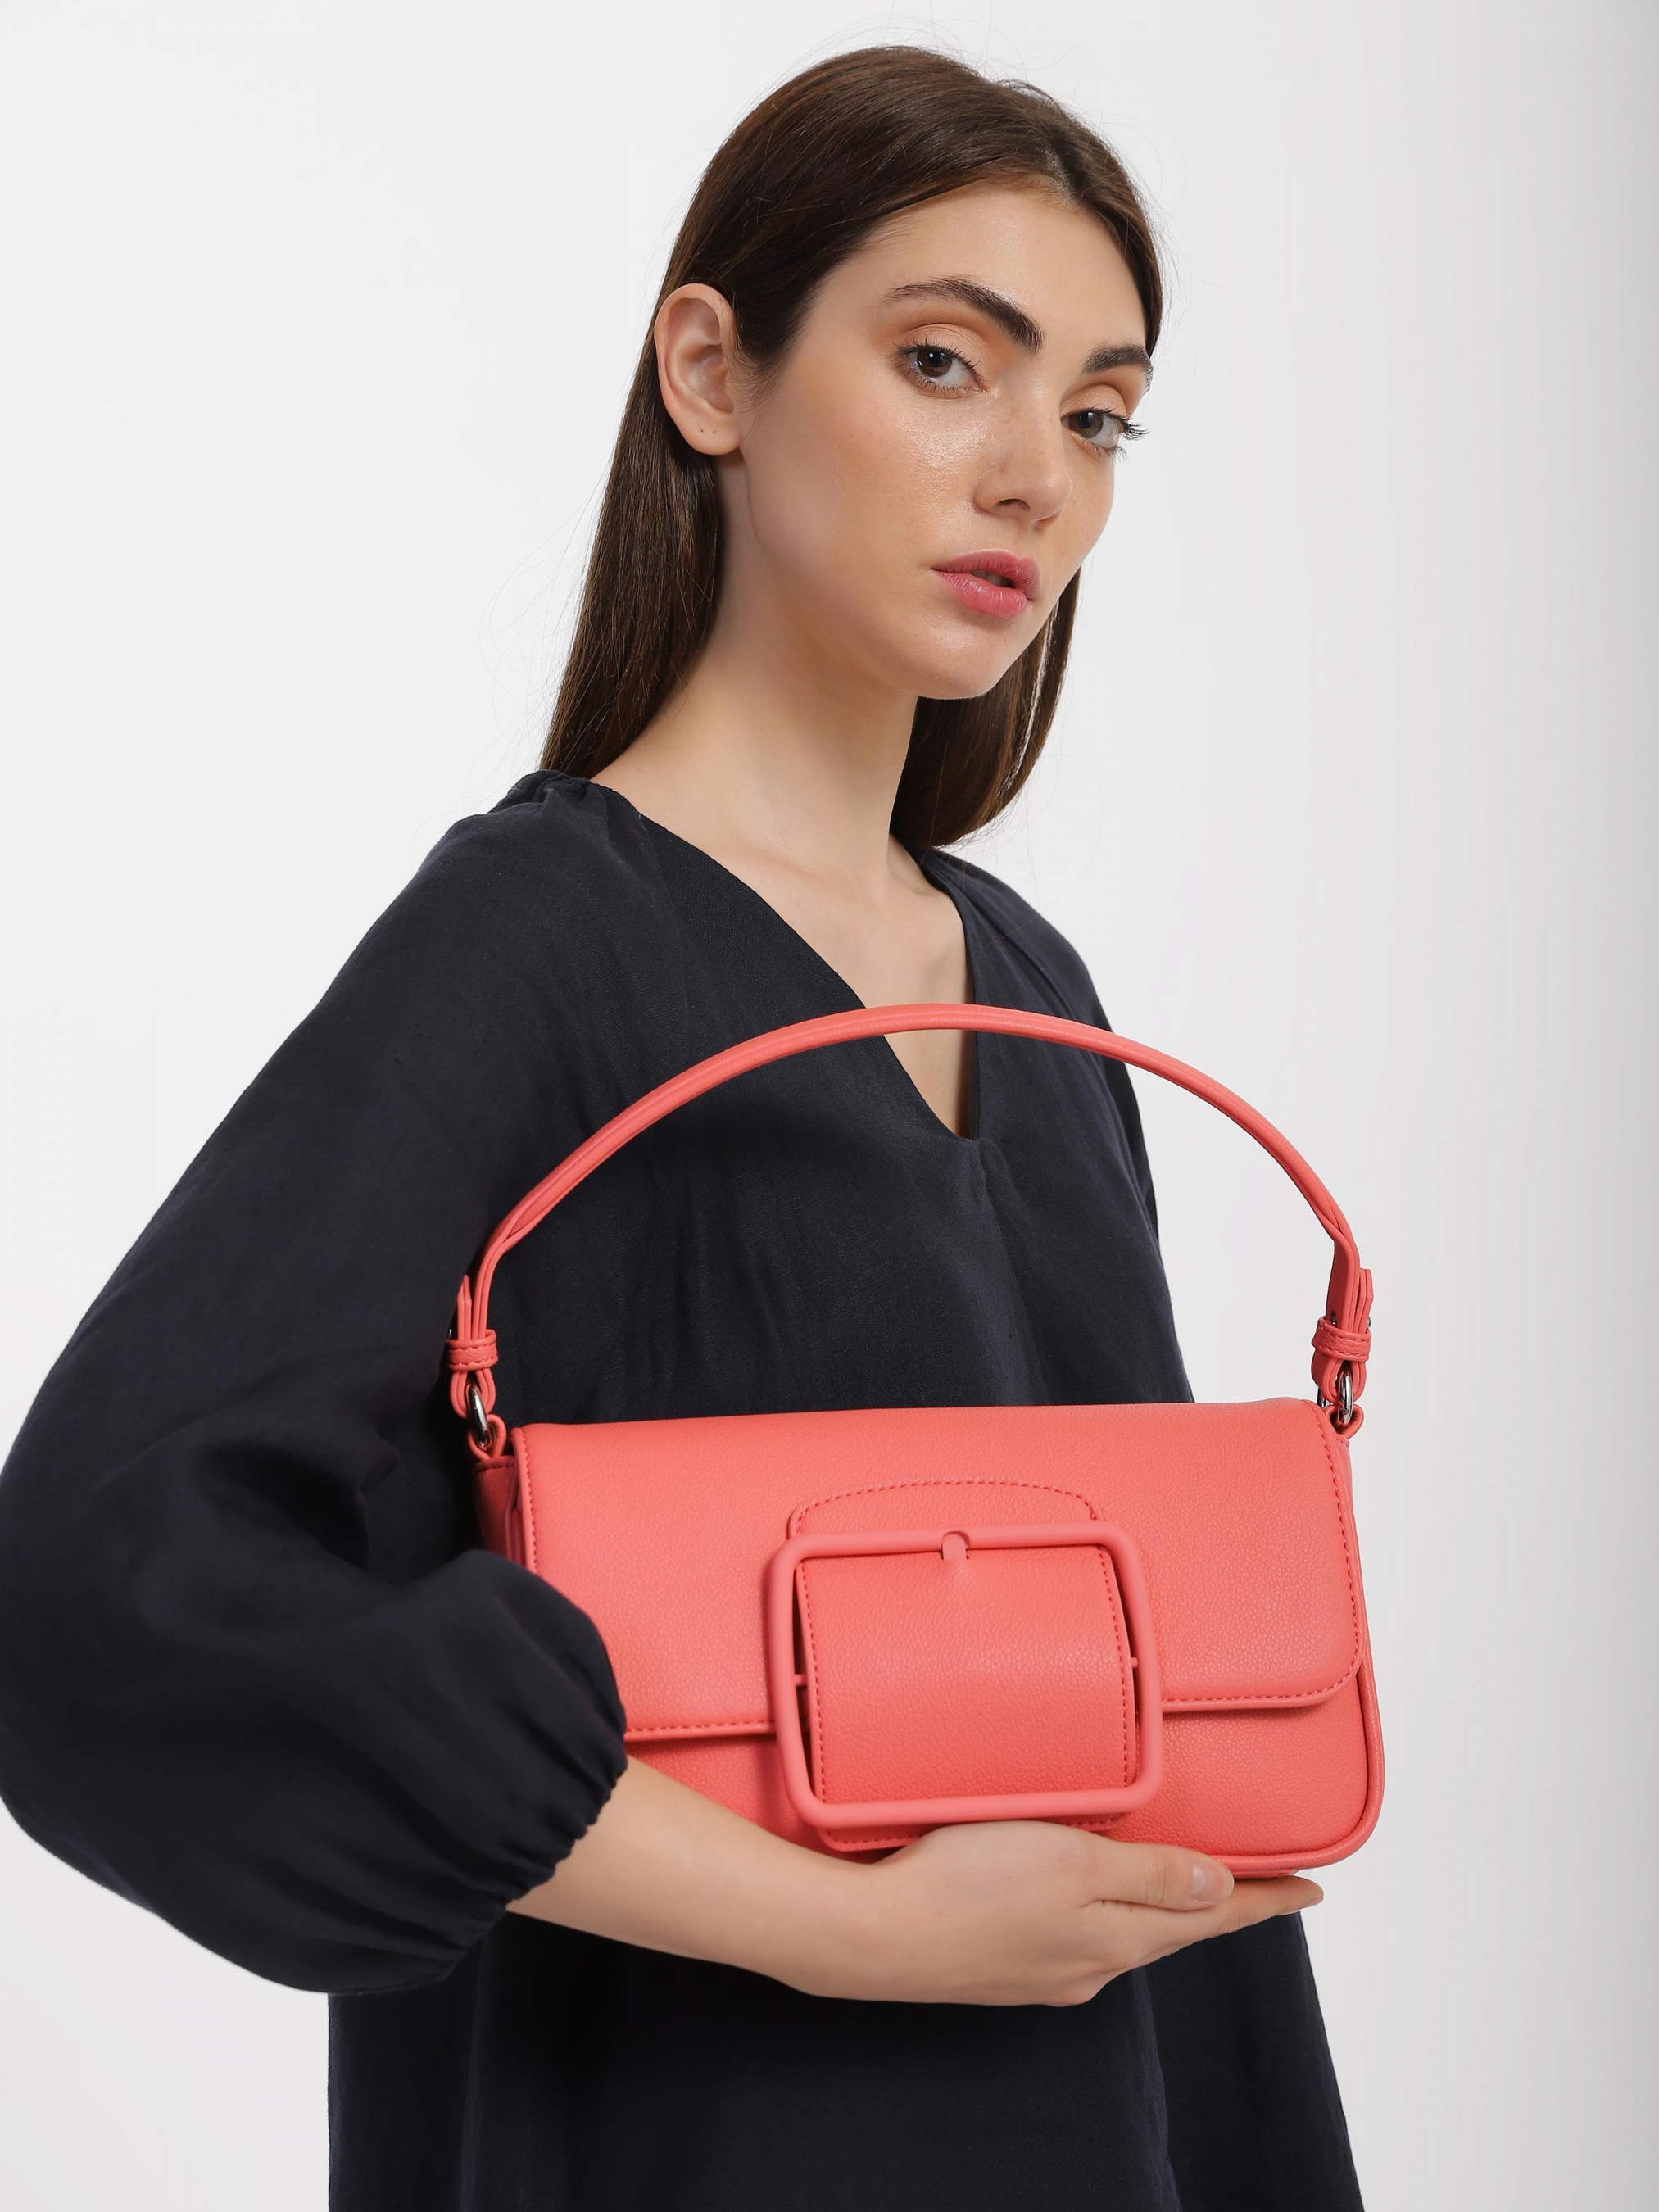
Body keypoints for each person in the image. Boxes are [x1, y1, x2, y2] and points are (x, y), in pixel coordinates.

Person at [0, 43, 1365, 2212]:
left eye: (1100, 413)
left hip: (1121, 2116)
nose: (1036, 476)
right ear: (711, 371)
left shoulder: (1032, 986)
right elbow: (101, 1578)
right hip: (713, 2133)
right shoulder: (534, 935)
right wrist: (849, 1925)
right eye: (947, 363)